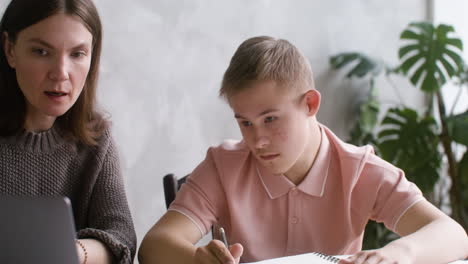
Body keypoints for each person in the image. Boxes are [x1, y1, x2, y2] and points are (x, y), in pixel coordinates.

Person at [139, 36, 468, 264]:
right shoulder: (222, 167)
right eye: (245, 123)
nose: (258, 140)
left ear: (310, 103)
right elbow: (153, 247)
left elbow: (453, 234)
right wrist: (197, 259)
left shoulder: (359, 169)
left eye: (270, 119)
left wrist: (402, 253)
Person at [0, 0, 136, 263]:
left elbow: (122, 237)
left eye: (77, 54)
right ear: (10, 50)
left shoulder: (96, 139)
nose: (61, 73)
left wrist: (72, 252)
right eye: (41, 51)